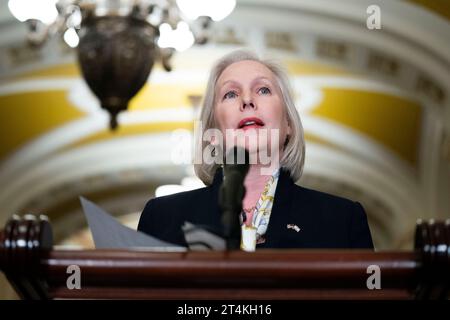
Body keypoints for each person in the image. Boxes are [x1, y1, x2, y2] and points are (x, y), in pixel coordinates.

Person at [138, 50, 374, 250]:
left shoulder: (342, 220)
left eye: (263, 90)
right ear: (213, 133)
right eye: (230, 94)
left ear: (288, 124)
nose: (248, 100)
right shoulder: (161, 218)